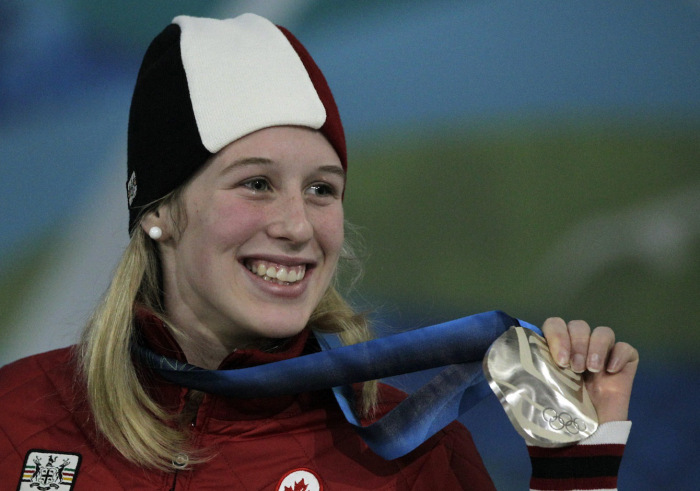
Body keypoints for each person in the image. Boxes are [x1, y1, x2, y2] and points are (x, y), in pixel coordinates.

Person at [0, 13, 638, 491]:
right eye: (256, 184)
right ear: (161, 211)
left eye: (320, 190)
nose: (298, 226)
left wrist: (578, 466)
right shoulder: (18, 416)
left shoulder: (411, 455)